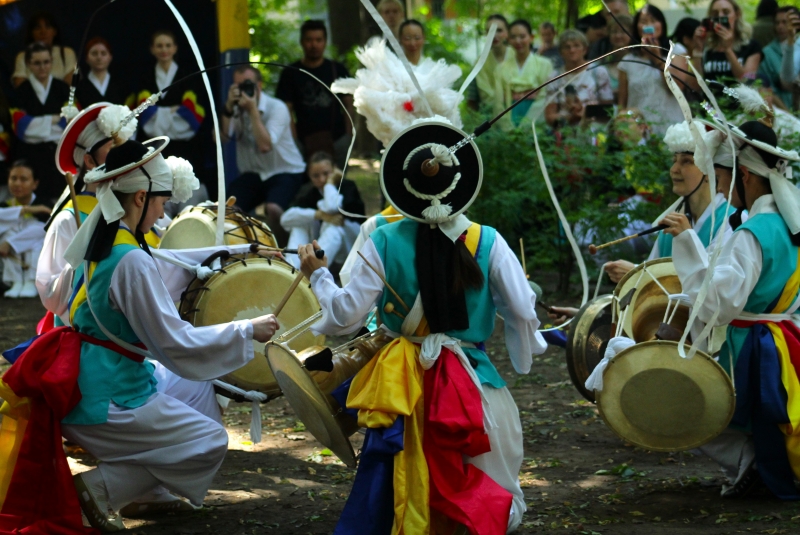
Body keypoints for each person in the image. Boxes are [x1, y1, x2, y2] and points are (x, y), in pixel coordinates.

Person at [11, 128, 281, 532]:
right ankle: (100, 490)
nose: (162, 211)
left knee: (193, 388)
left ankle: (144, 487)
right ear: (140, 198)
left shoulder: (107, 239)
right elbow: (175, 341)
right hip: (105, 398)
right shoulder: (129, 259)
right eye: (161, 201)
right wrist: (246, 329)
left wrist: (243, 251)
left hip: (91, 375)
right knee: (209, 441)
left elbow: (172, 261)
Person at [297, 119, 547, 534]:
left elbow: (345, 317)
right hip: (474, 390)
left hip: (402, 390)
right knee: (487, 493)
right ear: (460, 183)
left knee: (397, 490)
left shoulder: (382, 239)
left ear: (403, 181)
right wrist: (528, 344)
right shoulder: (489, 240)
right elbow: (521, 309)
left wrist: (319, 275)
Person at [666, 120, 800, 499]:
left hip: (752, 347)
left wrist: (688, 242)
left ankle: (752, 461)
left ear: (743, 174)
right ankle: (760, 461)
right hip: (785, 340)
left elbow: (719, 303)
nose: (719, 187)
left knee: (680, 402)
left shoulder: (752, 233)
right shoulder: (788, 224)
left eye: (721, 177)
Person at [604, 120, 736, 283]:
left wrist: (637, 273)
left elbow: (710, 284)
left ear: (710, 170)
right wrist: (635, 272)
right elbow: (656, 272)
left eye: (686, 161)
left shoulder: (732, 221)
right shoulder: (673, 220)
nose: (674, 169)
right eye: (674, 160)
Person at [37, 103, 118, 323]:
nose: (121, 156)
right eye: (112, 149)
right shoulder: (68, 219)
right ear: (89, 161)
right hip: (83, 331)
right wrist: (82, 269)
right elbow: (49, 292)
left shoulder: (129, 206)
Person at [223, 65, 307, 246]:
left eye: (247, 85)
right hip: (254, 173)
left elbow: (265, 145)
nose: (242, 91)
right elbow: (220, 138)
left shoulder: (277, 107)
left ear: (259, 85)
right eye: (237, 86)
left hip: (285, 170)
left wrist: (253, 111)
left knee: (274, 208)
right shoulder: (236, 109)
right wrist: (229, 107)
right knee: (229, 209)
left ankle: (283, 250)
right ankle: (242, 247)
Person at [136, 29, 207, 198]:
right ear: (152, 49)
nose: (164, 49)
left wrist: (159, 112)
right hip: (155, 148)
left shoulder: (188, 75)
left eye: (168, 45)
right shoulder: (145, 77)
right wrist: (173, 110)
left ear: (175, 48)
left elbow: (189, 114)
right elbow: (144, 113)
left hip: (186, 146)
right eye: (159, 46)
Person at [275, 20, 354, 170]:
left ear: (325, 42)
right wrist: (294, 141)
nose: (314, 45)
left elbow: (349, 106)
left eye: (319, 40)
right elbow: (286, 110)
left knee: (336, 185)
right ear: (302, 42)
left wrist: (348, 137)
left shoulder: (338, 70)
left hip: (337, 139)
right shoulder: (291, 73)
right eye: (309, 40)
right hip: (303, 141)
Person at [280, 151, 364, 270]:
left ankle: (314, 271)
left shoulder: (347, 186)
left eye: (326, 174)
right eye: (316, 176)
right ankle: (292, 269)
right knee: (301, 225)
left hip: (351, 246)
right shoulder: (310, 193)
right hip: (324, 246)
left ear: (335, 170)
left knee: (333, 226)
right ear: (309, 176)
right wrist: (318, 215)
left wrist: (329, 185)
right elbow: (285, 219)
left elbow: (332, 207)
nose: (322, 179)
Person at [10, 43, 70, 204]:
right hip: (30, 158)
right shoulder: (20, 92)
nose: (42, 67)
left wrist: (37, 124)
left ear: (51, 61)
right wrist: (53, 119)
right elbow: (22, 127)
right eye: (37, 63)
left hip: (57, 158)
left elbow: (69, 123)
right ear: (29, 64)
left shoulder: (63, 89)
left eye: (46, 62)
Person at [618, 4, 690, 135]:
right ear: (636, 27)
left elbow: (678, 87)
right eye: (644, 22)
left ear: (662, 24)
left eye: (653, 21)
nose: (649, 25)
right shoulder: (627, 61)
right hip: (638, 132)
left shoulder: (677, 51)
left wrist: (657, 58)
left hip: (673, 128)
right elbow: (622, 103)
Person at [0, 160, 50, 298]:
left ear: (35, 183)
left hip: (33, 257)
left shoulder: (44, 206)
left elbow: (43, 230)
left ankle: (31, 280)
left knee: (37, 231)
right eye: (13, 178)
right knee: (8, 232)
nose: (17, 184)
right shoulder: (5, 205)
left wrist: (9, 243)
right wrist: (27, 209)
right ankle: (15, 281)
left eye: (24, 179)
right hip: (10, 259)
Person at [545, 29, 614, 128]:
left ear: (585, 50)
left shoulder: (598, 72)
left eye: (576, 46)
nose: (572, 50)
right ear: (561, 52)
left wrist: (584, 113)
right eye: (567, 47)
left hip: (595, 131)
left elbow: (608, 110)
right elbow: (550, 116)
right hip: (565, 133)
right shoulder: (554, 77)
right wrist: (571, 118)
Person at [494, 19, 554, 129]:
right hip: (510, 115)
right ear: (508, 39)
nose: (518, 41)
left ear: (531, 37)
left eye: (522, 36)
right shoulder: (501, 68)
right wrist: (507, 126)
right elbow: (499, 102)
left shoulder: (545, 64)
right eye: (513, 37)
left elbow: (544, 96)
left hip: (536, 117)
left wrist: (528, 124)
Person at [691, 0, 761, 83]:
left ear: (737, 15)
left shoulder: (751, 46)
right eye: (715, 14)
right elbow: (694, 86)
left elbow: (747, 79)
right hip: (711, 95)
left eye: (726, 12)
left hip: (739, 95)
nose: (720, 16)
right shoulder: (707, 47)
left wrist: (728, 49)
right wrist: (698, 50)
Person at [11, 11, 76, 88]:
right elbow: (20, 86)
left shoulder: (66, 53)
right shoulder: (22, 57)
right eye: (38, 28)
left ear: (54, 32)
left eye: (47, 27)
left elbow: (70, 82)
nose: (43, 32)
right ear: (31, 33)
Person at [467, 14, 512, 111]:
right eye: (490, 31)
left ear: (507, 33)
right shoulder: (479, 63)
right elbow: (473, 99)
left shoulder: (517, 56)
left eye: (499, 30)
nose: (494, 35)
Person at [759, 7, 800, 110]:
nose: (780, 26)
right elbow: (767, 87)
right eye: (777, 23)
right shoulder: (767, 52)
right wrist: (787, 113)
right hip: (782, 110)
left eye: (785, 22)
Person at [75, 38, 129, 108]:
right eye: (94, 53)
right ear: (87, 58)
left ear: (110, 57)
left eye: (103, 53)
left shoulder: (121, 86)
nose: (99, 57)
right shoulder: (79, 88)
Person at [605, 14, 634, 98]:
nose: (618, 36)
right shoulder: (603, 63)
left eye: (623, 31)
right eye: (614, 32)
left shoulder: (638, 61)